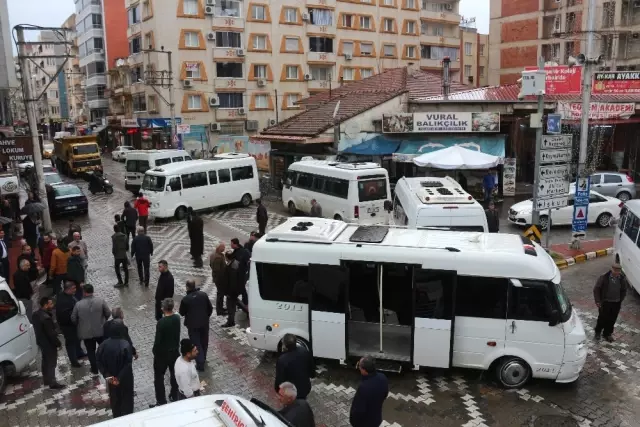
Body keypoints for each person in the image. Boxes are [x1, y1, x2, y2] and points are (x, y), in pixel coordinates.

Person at [96, 320, 135, 418]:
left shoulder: (103, 346)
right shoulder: (125, 344)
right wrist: (119, 378)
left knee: (115, 399)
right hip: (125, 379)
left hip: (111, 380)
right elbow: (127, 364)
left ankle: (117, 418)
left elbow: (99, 362)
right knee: (127, 400)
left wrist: (109, 377)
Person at [71, 284, 112, 374]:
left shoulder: (78, 304)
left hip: (86, 333)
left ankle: (94, 369)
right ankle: (106, 365)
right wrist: (103, 321)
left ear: (84, 292)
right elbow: (108, 312)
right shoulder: (100, 301)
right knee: (104, 349)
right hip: (100, 330)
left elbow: (73, 318)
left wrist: (80, 325)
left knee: (90, 351)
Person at [151, 298, 181, 407]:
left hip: (162, 355)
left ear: (163, 309)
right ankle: (174, 394)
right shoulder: (177, 319)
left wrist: (155, 351)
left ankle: (161, 400)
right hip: (174, 353)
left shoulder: (161, 323)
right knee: (174, 375)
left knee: (159, 378)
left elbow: (158, 341)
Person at [178, 280, 213, 372]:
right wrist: (206, 317)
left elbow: (181, 312)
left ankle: (200, 363)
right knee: (204, 341)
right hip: (204, 323)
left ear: (187, 287)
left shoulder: (186, 299)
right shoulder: (203, 295)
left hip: (193, 325)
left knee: (196, 343)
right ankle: (203, 358)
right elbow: (210, 308)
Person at [32, 297, 65, 389]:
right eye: (50, 304)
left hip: (41, 342)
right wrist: (58, 343)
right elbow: (51, 334)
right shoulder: (46, 318)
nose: (52, 305)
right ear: (45, 305)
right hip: (49, 344)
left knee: (45, 361)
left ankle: (46, 379)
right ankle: (52, 382)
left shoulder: (36, 315)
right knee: (51, 363)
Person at [349, 357, 389, 427]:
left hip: (365, 423)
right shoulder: (383, 377)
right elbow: (385, 394)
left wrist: (354, 422)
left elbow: (358, 410)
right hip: (377, 419)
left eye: (359, 366)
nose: (359, 368)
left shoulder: (364, 387)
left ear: (364, 370)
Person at [594, 263, 628, 342]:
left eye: (618, 271)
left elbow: (624, 290)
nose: (616, 272)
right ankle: (598, 332)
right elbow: (597, 289)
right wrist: (598, 301)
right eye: (615, 270)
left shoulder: (622, 278)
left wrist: (620, 299)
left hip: (616, 303)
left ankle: (607, 333)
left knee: (612, 319)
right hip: (605, 302)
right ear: (611, 269)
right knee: (602, 318)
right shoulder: (604, 277)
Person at [275, 333, 314, 399]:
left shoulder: (282, 360)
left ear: (285, 345)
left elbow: (280, 379)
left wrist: (278, 390)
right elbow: (311, 367)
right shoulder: (304, 350)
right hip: (305, 388)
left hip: (292, 392)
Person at [55, 281, 85, 367]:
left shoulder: (69, 296)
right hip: (68, 326)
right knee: (71, 342)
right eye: (73, 288)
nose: (75, 290)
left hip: (74, 324)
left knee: (77, 339)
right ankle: (73, 361)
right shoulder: (63, 301)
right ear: (68, 289)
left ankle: (79, 353)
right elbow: (66, 315)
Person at [230, 238, 250, 308]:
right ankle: (240, 302)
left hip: (242, 274)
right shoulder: (236, 250)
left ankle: (245, 304)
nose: (231, 245)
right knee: (240, 288)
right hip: (237, 273)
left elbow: (247, 263)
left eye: (231, 244)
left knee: (242, 288)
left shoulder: (244, 252)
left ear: (235, 244)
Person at [209, 243, 227, 316]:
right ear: (219, 248)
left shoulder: (215, 254)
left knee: (221, 294)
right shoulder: (218, 257)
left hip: (218, 278)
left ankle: (221, 308)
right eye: (223, 247)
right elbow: (217, 270)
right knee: (220, 294)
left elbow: (211, 265)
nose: (224, 248)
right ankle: (219, 310)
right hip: (219, 279)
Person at [112, 224, 129, 288]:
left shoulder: (114, 237)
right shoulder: (125, 236)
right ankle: (126, 282)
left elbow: (114, 247)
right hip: (124, 255)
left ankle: (120, 281)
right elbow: (127, 247)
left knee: (117, 269)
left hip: (117, 256)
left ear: (114, 229)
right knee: (125, 269)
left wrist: (114, 253)